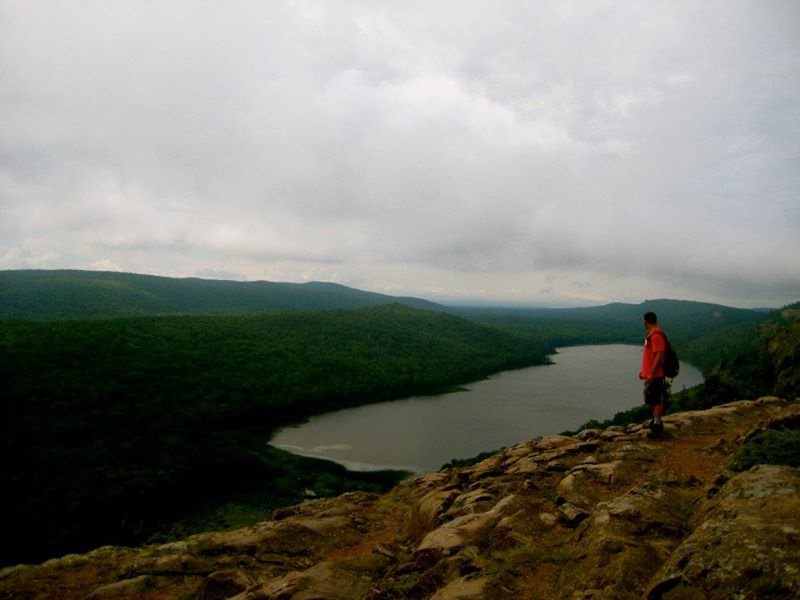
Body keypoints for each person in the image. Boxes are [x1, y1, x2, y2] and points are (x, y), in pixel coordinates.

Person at [640, 311, 669, 438]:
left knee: (657, 399)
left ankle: (657, 426)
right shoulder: (652, 334)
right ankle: (655, 422)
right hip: (651, 374)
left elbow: (659, 355)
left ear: (645, 321)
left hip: (656, 374)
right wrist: (644, 372)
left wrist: (651, 373)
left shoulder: (656, 334)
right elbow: (650, 356)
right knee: (652, 398)